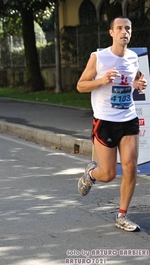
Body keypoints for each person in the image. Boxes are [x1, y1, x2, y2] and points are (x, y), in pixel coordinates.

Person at [76, 16, 147, 232]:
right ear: (111, 33)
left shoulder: (134, 57)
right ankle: (91, 174)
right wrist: (101, 81)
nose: (124, 32)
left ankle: (122, 215)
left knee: (130, 166)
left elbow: (133, 77)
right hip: (105, 121)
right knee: (108, 174)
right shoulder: (99, 58)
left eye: (128, 28)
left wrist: (137, 83)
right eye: (119, 28)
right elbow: (80, 85)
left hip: (128, 119)